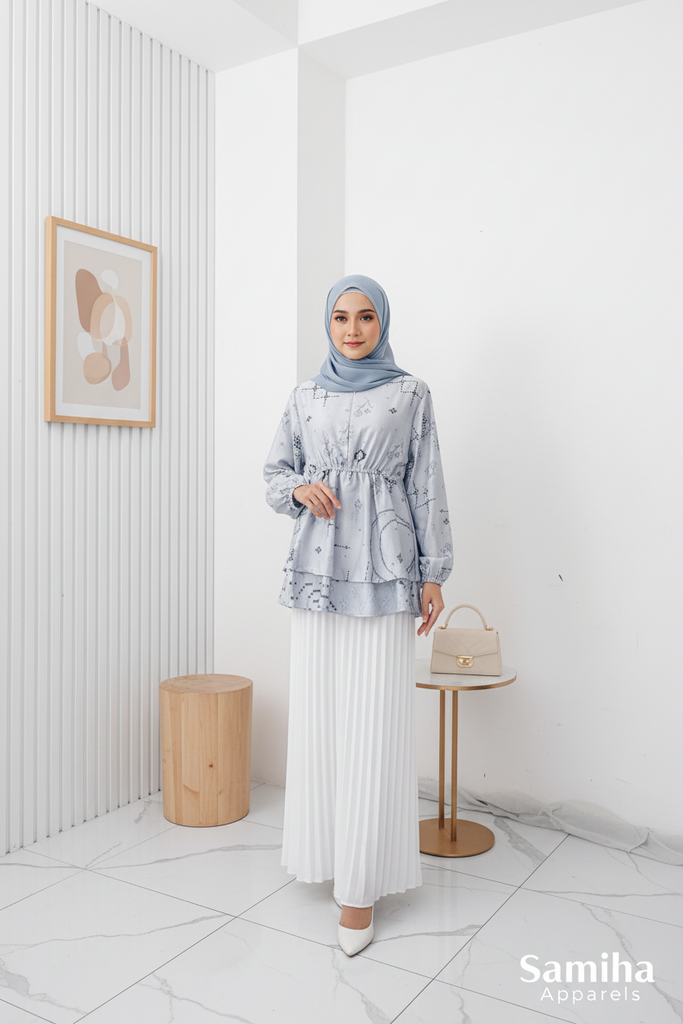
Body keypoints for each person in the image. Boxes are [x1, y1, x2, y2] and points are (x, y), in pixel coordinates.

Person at [263, 274, 453, 956]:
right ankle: (323, 854)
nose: (352, 329)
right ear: (328, 324)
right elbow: (273, 474)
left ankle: (360, 887)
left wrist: (433, 573)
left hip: (387, 568)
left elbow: (426, 483)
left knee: (374, 720)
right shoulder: (304, 396)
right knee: (320, 717)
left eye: (365, 316)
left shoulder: (411, 394)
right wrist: (299, 488)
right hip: (316, 570)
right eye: (341, 317)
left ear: (382, 323)